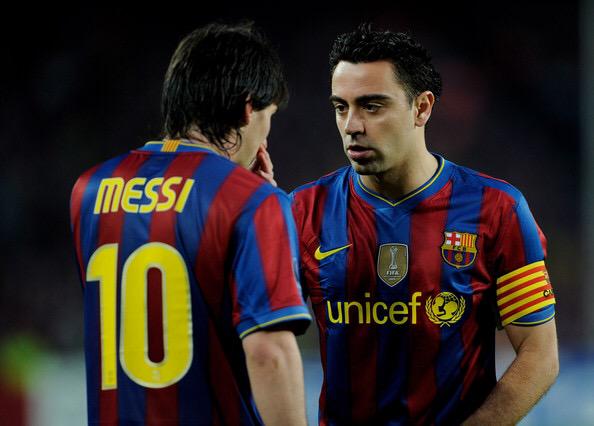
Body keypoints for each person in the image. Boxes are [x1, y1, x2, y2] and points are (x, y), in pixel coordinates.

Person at [290, 24, 558, 425]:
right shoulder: (302, 210)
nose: (352, 125)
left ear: (422, 108)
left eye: (372, 106)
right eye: (341, 107)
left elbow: (540, 354)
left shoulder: (497, 209)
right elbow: (260, 340)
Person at [70, 22, 311, 425]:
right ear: (247, 108)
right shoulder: (251, 202)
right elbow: (269, 353)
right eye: (268, 116)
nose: (266, 137)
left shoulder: (88, 190)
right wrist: (262, 208)